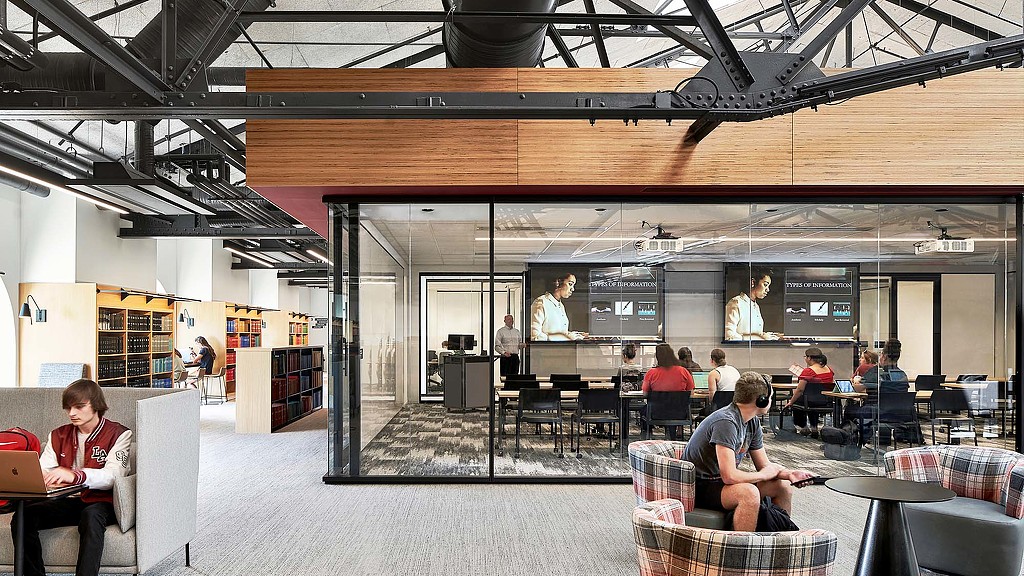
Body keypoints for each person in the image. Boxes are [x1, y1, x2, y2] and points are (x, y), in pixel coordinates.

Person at [11, 379, 132, 576]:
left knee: (91, 516)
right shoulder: (57, 435)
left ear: (96, 405)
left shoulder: (119, 434)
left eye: (79, 407)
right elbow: (42, 469)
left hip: (101, 502)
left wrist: (74, 475)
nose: (71, 413)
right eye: (68, 408)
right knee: (23, 517)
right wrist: (41, 477)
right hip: (66, 502)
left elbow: (113, 476)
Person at [682, 372, 815, 532]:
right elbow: (730, 476)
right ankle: (744, 553)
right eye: (769, 397)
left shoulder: (751, 422)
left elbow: (764, 465)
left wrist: (790, 474)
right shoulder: (726, 422)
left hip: (720, 484)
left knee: (783, 486)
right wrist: (764, 475)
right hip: (699, 486)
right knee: (748, 493)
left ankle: (780, 543)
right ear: (761, 400)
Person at [783, 347, 835, 438]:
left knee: (797, 400)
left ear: (809, 358)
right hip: (825, 401)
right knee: (810, 399)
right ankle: (814, 428)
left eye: (805, 357)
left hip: (810, 401)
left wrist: (791, 401)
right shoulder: (829, 369)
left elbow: (800, 390)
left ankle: (804, 427)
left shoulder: (808, 371)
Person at [724, 267, 781, 341]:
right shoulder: (736, 303)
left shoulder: (755, 306)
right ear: (753, 282)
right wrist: (760, 338)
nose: (768, 289)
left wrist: (773, 336)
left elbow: (753, 333)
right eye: (765, 285)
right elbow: (729, 336)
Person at [530, 273, 587, 341]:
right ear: (558, 283)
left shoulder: (561, 306)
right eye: (570, 284)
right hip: (547, 351)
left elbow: (558, 332)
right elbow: (535, 337)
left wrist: (575, 335)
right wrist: (566, 337)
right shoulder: (541, 303)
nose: (573, 289)